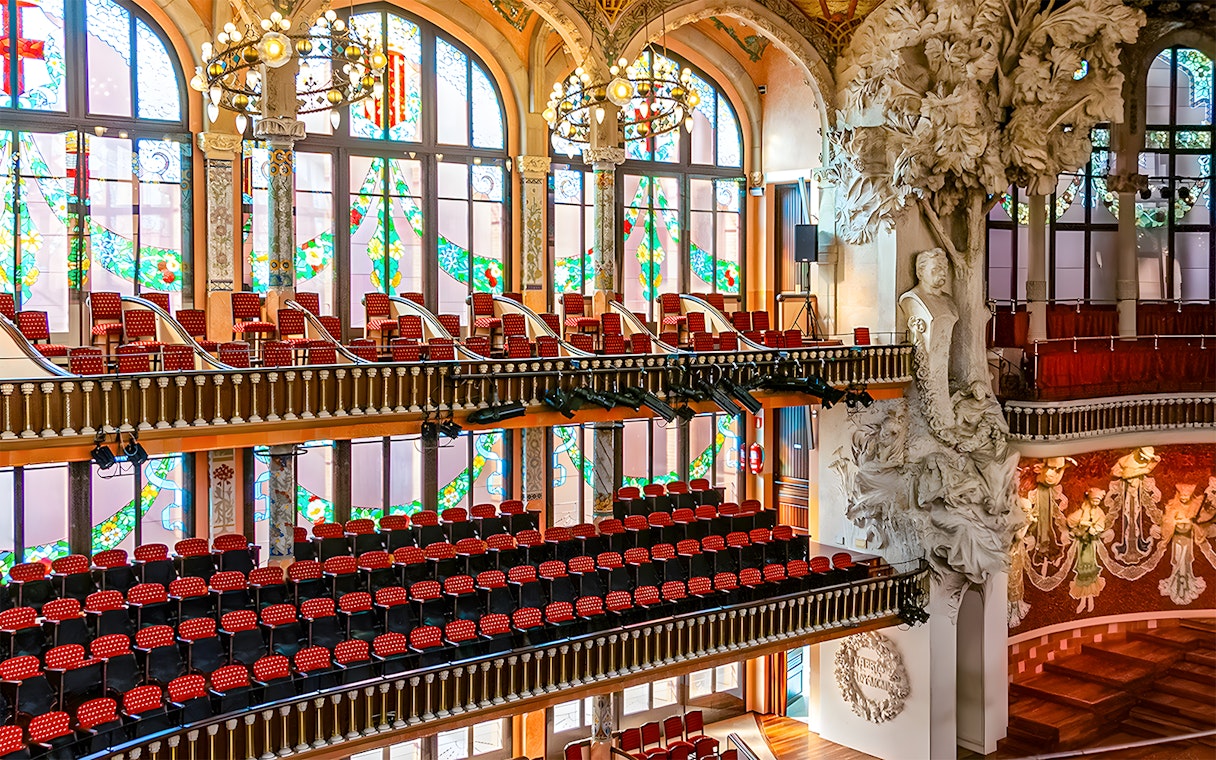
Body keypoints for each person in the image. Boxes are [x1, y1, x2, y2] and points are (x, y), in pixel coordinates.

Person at [1067, 487, 1107, 613]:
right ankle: (1082, 601)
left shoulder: (1099, 512)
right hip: (1083, 544)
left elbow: (1101, 524)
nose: (1096, 503)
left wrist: (1094, 529)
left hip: (1091, 544)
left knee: (1091, 570)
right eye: (1094, 500)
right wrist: (1081, 524)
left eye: (1098, 501)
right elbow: (1070, 520)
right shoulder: (1083, 511)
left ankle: (1090, 600)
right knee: (1082, 571)